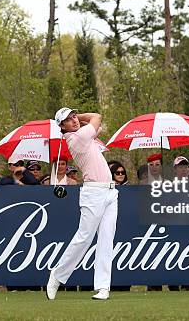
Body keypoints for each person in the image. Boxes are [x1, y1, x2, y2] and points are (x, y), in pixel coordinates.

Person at [46, 108, 118, 301]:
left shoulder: (81, 134)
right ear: (62, 127)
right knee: (84, 237)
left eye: (74, 116)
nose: (74, 121)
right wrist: (83, 117)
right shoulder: (77, 138)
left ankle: (103, 288)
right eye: (68, 120)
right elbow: (97, 117)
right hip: (93, 192)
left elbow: (97, 125)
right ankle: (57, 275)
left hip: (110, 192)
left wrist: (77, 118)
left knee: (106, 239)